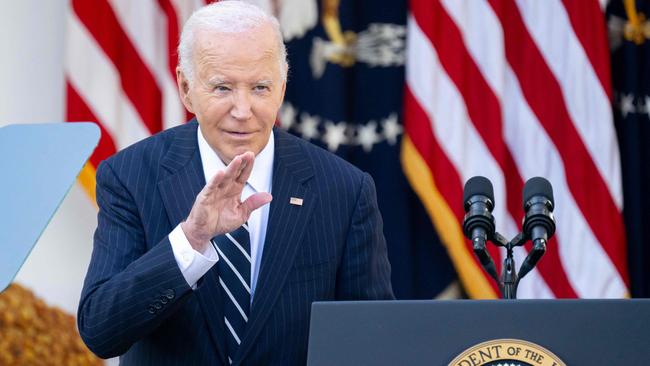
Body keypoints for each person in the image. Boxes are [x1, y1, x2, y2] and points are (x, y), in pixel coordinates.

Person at [77, 1, 394, 365]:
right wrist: (190, 242)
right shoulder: (130, 175)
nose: (243, 111)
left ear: (282, 87)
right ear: (185, 88)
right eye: (223, 88)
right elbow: (101, 331)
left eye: (260, 87)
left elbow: (373, 340)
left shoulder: (344, 189)